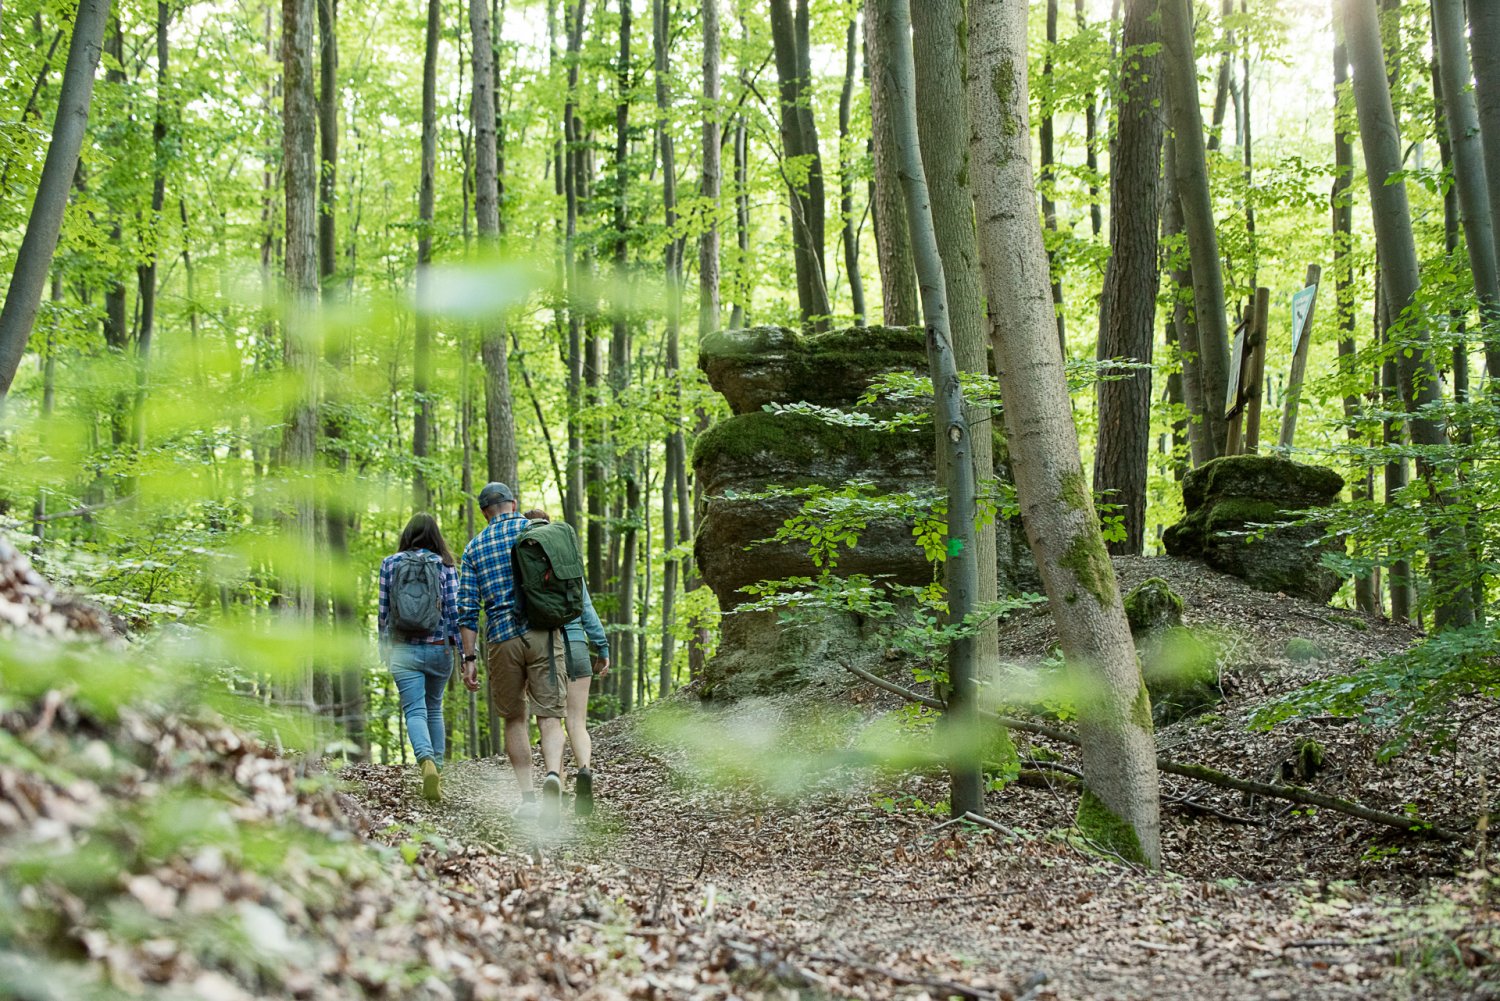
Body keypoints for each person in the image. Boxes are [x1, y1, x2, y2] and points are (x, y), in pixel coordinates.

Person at [457, 482, 569, 827]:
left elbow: (466, 609)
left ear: (484, 512)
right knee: (549, 715)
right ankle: (552, 774)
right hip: (543, 632)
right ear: (513, 503)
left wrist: (469, 658)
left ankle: (529, 798)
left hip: (502, 638)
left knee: (514, 718)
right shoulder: (537, 531)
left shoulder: (474, 549)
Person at [524, 509, 610, 816]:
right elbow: (586, 610)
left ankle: (554, 781)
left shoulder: (524, 560)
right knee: (577, 723)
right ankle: (584, 771)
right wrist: (601, 647)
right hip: (575, 644)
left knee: (550, 722)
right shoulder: (567, 561)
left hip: (547, 647)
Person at [377, 513, 459, 803]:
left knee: (414, 710)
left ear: (407, 535)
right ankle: (436, 768)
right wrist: (462, 650)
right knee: (434, 708)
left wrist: (383, 647)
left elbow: (384, 610)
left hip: (403, 648)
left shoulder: (390, 563)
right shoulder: (445, 566)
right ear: (435, 536)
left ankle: (425, 763)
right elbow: (453, 609)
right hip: (439, 647)